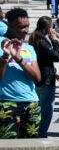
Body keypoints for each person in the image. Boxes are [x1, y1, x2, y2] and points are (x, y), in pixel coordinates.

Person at [0, 8, 41, 138]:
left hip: (31, 104)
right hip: (7, 104)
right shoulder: (1, 46)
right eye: (21, 27)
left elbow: (37, 77)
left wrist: (19, 60)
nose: (26, 31)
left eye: (27, 26)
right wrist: (5, 57)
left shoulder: (29, 48)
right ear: (10, 25)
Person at [28, 16, 59, 138]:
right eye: (52, 26)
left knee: (39, 109)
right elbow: (56, 57)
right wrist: (55, 40)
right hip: (46, 81)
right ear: (48, 28)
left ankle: (37, 133)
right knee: (47, 111)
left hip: (42, 77)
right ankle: (41, 135)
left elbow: (43, 60)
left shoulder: (35, 38)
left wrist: (54, 72)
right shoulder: (42, 41)